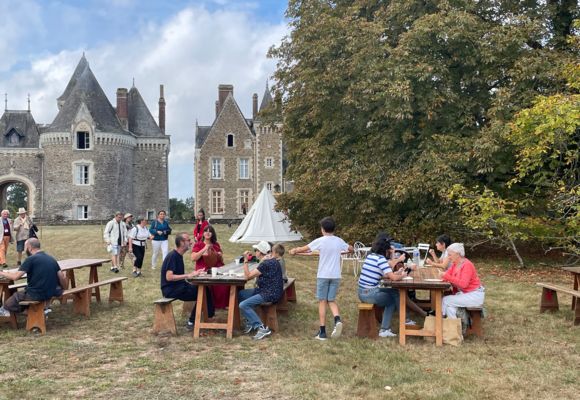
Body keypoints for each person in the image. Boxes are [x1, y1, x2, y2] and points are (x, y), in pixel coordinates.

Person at [289, 217, 352, 340]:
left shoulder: (320, 241)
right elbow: (350, 249)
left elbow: (304, 249)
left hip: (323, 275)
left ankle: (322, 332)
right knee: (331, 300)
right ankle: (337, 319)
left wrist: (294, 250)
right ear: (334, 229)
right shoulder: (339, 241)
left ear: (322, 229)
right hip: (335, 275)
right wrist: (348, 249)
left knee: (322, 301)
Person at [358, 233, 424, 338]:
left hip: (362, 292)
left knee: (395, 292)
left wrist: (397, 274)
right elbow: (392, 278)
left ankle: (405, 320)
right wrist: (402, 275)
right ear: (386, 250)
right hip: (369, 293)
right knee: (391, 300)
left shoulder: (371, 256)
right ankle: (385, 329)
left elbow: (383, 275)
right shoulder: (381, 259)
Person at [0, 238, 67, 318]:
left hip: (36, 293)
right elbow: (61, 276)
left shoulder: (30, 259)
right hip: (51, 292)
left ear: (29, 247)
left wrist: (1, 272)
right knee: (20, 294)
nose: (25, 250)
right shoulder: (51, 258)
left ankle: (35, 313)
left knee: (14, 298)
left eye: (25, 248)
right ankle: (40, 311)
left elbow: (15, 277)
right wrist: (63, 288)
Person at [238, 241, 284, 340]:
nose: (255, 252)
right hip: (269, 290)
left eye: (256, 250)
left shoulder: (266, 263)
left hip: (269, 293)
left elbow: (248, 276)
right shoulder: (270, 260)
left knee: (243, 305)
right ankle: (250, 321)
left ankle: (261, 327)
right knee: (241, 294)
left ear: (260, 252)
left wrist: (245, 260)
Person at [160, 232, 205, 330]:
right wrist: (188, 275)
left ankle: (205, 318)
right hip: (171, 290)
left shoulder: (178, 255)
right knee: (203, 292)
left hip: (179, 286)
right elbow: (169, 277)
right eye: (188, 240)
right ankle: (192, 321)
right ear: (181, 242)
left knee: (204, 290)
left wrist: (194, 273)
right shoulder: (173, 256)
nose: (191, 242)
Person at [440, 243, 485, 319]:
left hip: (474, 295)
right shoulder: (455, 264)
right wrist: (444, 277)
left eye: (450, 255)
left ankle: (441, 320)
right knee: (449, 308)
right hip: (465, 294)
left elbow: (463, 284)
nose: (448, 257)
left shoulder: (467, 265)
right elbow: (447, 275)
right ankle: (455, 328)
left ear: (457, 254)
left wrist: (447, 277)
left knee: (445, 300)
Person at [190, 225, 226, 316]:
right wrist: (204, 249)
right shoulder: (198, 244)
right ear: (203, 233)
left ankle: (222, 304)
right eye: (206, 231)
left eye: (210, 231)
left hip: (216, 268)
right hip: (203, 269)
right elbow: (193, 258)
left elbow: (220, 260)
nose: (208, 232)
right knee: (211, 284)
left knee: (226, 283)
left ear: (213, 234)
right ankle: (211, 307)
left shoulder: (216, 244)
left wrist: (219, 255)